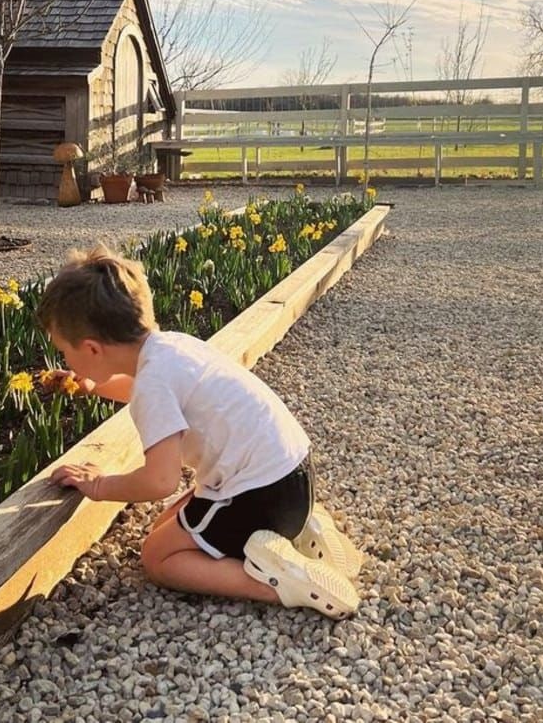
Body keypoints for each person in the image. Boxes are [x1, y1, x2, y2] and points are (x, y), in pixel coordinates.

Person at [37, 244, 363, 619]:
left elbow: (160, 481)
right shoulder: (171, 348)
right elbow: (141, 391)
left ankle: (280, 582)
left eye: (64, 351)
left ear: (92, 349)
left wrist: (99, 486)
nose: (64, 361)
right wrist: (91, 387)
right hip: (294, 473)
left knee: (158, 556)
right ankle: (302, 529)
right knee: (165, 526)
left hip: (264, 496)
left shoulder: (153, 385)